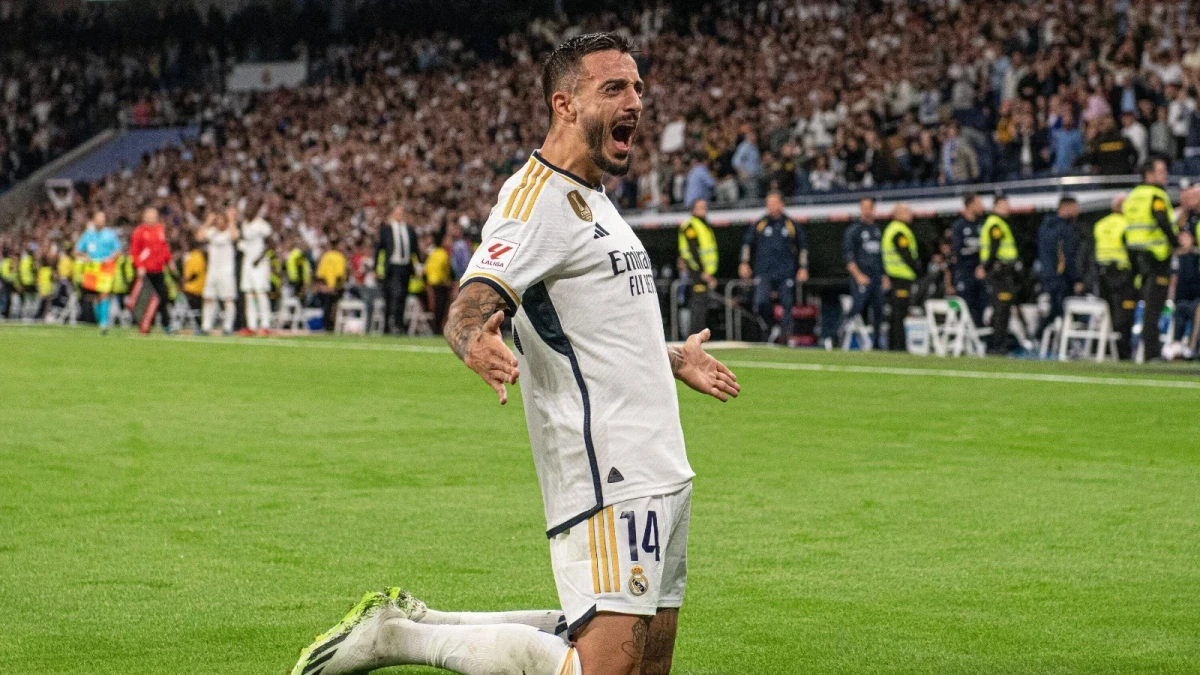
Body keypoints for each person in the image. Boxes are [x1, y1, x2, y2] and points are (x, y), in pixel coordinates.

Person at [289, 32, 740, 675]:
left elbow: (593, 325)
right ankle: (398, 639)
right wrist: (473, 339)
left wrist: (668, 356)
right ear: (564, 104)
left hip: (663, 463)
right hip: (605, 465)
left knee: (643, 667)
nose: (635, 100)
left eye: (638, 86)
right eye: (614, 87)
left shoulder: (598, 200)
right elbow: (473, 296)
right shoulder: (535, 202)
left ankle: (411, 622)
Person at [1123, 157, 1179, 360]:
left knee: (1140, 307)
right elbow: (1162, 220)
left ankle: (1127, 352)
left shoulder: (1132, 196)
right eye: (1161, 170)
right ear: (1149, 175)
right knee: (1154, 309)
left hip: (1136, 259)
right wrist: (1176, 243)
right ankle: (1152, 354)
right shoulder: (1156, 195)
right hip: (1157, 259)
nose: (1165, 174)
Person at [738, 190, 808, 343]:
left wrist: (803, 267)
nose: (771, 207)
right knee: (760, 303)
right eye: (768, 204)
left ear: (781, 204)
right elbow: (747, 245)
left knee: (787, 305)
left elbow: (803, 248)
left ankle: (786, 338)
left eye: (774, 203)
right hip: (764, 272)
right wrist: (744, 263)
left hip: (785, 273)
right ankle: (768, 329)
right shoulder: (760, 223)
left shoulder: (790, 224)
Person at [1093, 194, 1136, 359]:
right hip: (1122, 275)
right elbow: (1132, 252)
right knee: (1124, 315)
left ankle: (1109, 350)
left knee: (1110, 314)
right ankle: (1124, 352)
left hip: (1103, 275)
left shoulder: (1100, 224)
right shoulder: (1127, 225)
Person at [1035, 195, 1084, 341]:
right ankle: (1066, 345)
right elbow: (1067, 256)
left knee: (1054, 312)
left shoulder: (1044, 227)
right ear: (1065, 208)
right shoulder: (1065, 229)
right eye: (1075, 208)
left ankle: (1041, 339)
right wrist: (1076, 279)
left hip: (1047, 277)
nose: (1077, 212)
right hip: (1061, 278)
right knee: (1065, 313)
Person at [841, 197, 885, 349]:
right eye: (864, 207)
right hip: (860, 276)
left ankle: (877, 343)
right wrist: (858, 275)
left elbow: (881, 256)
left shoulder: (877, 230)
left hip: (876, 277)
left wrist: (884, 275)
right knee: (857, 307)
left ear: (873, 209)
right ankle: (839, 337)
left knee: (879, 310)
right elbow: (848, 256)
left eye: (869, 207)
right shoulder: (854, 230)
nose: (867, 210)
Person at [978, 195, 1020, 354]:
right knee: (1001, 310)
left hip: (1001, 272)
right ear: (994, 206)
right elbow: (994, 248)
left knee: (1002, 309)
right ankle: (997, 345)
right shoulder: (995, 224)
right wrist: (986, 268)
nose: (1007, 208)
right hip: (999, 273)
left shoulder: (998, 223)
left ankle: (997, 344)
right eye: (1003, 205)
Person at [75, 210, 122, 334]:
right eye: (99, 218)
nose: (101, 221)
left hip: (106, 267)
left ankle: (104, 323)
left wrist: (112, 257)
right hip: (92, 268)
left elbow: (118, 251)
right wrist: (85, 256)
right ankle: (100, 319)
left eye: (103, 219)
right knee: (95, 297)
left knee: (104, 293)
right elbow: (77, 251)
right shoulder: (88, 235)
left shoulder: (110, 234)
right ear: (94, 220)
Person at [129, 207, 174, 333]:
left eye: (154, 216)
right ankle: (144, 324)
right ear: (144, 217)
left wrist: (169, 260)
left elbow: (164, 247)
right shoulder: (139, 232)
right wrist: (139, 266)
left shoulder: (160, 229)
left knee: (163, 297)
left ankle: (166, 324)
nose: (152, 219)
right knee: (145, 298)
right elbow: (134, 251)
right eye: (149, 216)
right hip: (146, 271)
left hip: (159, 270)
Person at [678, 198, 719, 335]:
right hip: (696, 273)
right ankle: (694, 338)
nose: (704, 209)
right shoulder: (691, 226)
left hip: (705, 273)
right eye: (701, 207)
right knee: (698, 307)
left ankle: (698, 337)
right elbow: (693, 251)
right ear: (694, 209)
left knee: (702, 306)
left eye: (705, 207)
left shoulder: (704, 225)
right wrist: (702, 272)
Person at [881, 203, 919, 351]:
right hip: (901, 277)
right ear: (897, 214)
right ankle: (899, 346)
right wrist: (918, 271)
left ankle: (894, 345)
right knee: (899, 314)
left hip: (895, 276)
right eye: (907, 211)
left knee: (896, 313)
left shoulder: (892, 229)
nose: (910, 214)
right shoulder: (899, 231)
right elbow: (906, 255)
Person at [375, 204, 417, 334]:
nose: (401, 215)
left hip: (405, 267)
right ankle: (388, 324)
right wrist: (375, 267)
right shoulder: (386, 229)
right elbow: (379, 248)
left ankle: (399, 324)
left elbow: (414, 250)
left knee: (403, 295)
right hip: (392, 267)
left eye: (402, 212)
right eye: (398, 212)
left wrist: (418, 264)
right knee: (391, 295)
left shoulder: (409, 230)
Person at [197, 210, 238, 335]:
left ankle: (228, 327)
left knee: (228, 299)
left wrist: (231, 221)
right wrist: (207, 222)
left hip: (226, 271)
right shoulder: (212, 232)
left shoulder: (228, 232)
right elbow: (199, 236)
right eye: (218, 220)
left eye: (222, 220)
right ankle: (206, 326)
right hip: (213, 270)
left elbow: (235, 236)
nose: (219, 223)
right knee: (208, 298)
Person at [950, 193, 987, 326]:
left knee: (980, 308)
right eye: (979, 204)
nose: (982, 207)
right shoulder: (958, 226)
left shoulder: (982, 225)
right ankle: (962, 340)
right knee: (964, 307)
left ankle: (979, 341)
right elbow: (957, 253)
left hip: (980, 273)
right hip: (964, 273)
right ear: (970, 205)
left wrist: (983, 266)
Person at [239, 203, 274, 333]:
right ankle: (251, 325)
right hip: (247, 262)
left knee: (260, 293)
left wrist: (260, 257)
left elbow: (271, 242)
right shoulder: (244, 225)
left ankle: (265, 324)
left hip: (259, 262)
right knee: (248, 293)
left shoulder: (261, 224)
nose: (248, 210)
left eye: (250, 208)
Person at [424, 231, 454, 334]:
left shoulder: (432, 253)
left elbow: (426, 269)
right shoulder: (443, 254)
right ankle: (438, 329)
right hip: (441, 285)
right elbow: (446, 270)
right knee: (440, 309)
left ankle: (436, 329)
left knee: (436, 308)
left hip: (431, 284)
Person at [315, 238, 347, 332]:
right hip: (335, 288)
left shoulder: (326, 256)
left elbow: (320, 274)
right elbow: (339, 275)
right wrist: (336, 288)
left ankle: (326, 327)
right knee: (333, 308)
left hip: (326, 287)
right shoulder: (339, 257)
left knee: (326, 308)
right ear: (337, 245)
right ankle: (332, 327)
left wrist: (323, 286)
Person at [181, 234, 207, 317]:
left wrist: (183, 282)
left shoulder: (197, 256)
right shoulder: (192, 255)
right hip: (191, 287)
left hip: (195, 288)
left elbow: (194, 274)